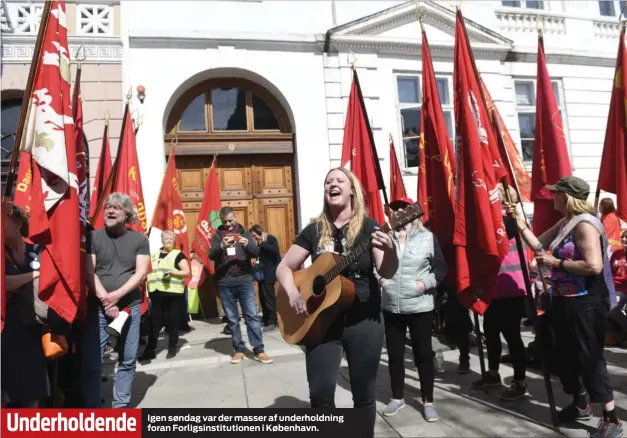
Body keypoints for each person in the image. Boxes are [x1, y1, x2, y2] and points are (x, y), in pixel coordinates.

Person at [276, 167, 398, 438]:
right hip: (321, 325)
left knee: (364, 396)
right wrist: (294, 293)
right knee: (320, 396)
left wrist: (389, 250)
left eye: (339, 180)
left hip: (363, 322)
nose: (333, 184)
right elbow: (284, 267)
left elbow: (387, 270)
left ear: (352, 190)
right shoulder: (314, 230)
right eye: (328, 181)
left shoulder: (370, 227)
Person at [505, 176, 620, 438]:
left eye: (556, 192)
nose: (552, 196)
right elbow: (539, 245)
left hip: (586, 301)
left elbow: (594, 266)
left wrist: (555, 264)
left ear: (567, 197)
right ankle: (580, 402)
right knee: (562, 354)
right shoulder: (566, 221)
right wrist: (519, 223)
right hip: (563, 299)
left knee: (588, 356)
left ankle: (611, 416)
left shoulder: (585, 225)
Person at [380, 197, 446, 422]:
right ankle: (397, 397)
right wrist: (381, 280)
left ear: (414, 214)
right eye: (396, 210)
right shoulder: (385, 237)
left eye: (404, 210)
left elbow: (440, 268)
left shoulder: (428, 238)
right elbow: (375, 264)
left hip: (420, 306)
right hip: (392, 306)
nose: (400, 214)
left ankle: (428, 401)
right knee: (395, 355)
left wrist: (423, 284)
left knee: (423, 354)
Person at [82, 192, 150, 408]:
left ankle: (120, 408)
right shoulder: (93, 238)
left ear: (127, 213)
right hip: (100, 307)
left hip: (129, 307)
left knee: (128, 359)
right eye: (107, 207)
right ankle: (93, 407)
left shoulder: (140, 239)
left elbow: (140, 273)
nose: (110, 211)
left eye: (116, 208)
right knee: (93, 362)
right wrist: (105, 300)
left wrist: (118, 296)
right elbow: (88, 272)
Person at [471, 184, 529, 401]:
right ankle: (494, 373)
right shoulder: (496, 220)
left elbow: (505, 230)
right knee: (491, 331)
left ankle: (520, 380)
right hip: (495, 288)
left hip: (510, 286)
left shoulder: (508, 220)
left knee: (512, 336)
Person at [209, 206, 272, 365]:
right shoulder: (217, 235)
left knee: (251, 316)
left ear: (235, 217)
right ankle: (239, 349)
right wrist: (222, 246)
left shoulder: (244, 233)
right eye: (225, 222)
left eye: (230, 221)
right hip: (225, 282)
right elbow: (211, 255)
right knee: (232, 318)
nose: (228, 225)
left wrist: (246, 244)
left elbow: (255, 253)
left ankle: (259, 350)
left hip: (244, 281)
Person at [1, 204, 49, 408]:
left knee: (33, 386)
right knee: (7, 387)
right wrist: (36, 275)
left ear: (18, 223)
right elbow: (5, 283)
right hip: (6, 327)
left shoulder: (36, 250)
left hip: (33, 327)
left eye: (4, 219)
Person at [140, 230, 190, 360]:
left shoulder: (178, 255)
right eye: (166, 238)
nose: (168, 240)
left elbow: (186, 272)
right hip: (156, 294)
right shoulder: (154, 255)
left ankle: (172, 347)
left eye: (171, 238)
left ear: (174, 241)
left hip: (173, 294)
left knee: (173, 322)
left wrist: (174, 272)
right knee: (154, 323)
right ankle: (150, 350)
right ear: (162, 240)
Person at [250, 224, 281, 332]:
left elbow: (275, 250)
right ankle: (266, 319)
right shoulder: (259, 243)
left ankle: (273, 321)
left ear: (259, 232)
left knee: (269, 298)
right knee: (263, 297)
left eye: (255, 236)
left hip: (270, 273)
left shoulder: (270, 239)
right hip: (262, 274)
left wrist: (262, 243)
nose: (254, 238)